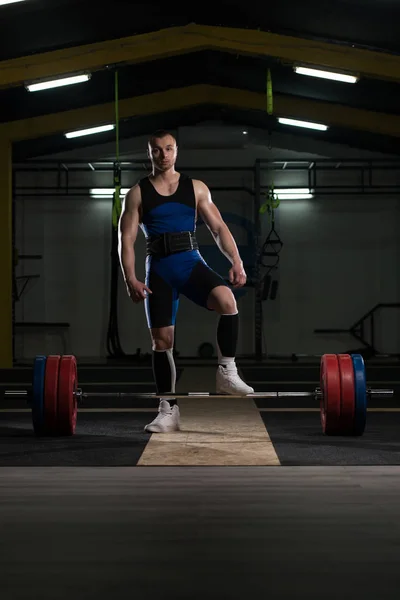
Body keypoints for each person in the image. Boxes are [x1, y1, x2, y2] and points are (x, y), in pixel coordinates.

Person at [118, 129, 254, 433]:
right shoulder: (138, 193)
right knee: (162, 341)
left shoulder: (196, 188)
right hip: (160, 270)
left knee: (227, 301)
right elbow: (125, 239)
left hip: (190, 263)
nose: (163, 155)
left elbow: (218, 228)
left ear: (176, 151)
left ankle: (227, 372)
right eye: (157, 150)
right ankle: (168, 410)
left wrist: (237, 261)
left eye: (169, 149)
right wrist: (130, 278)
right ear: (149, 153)